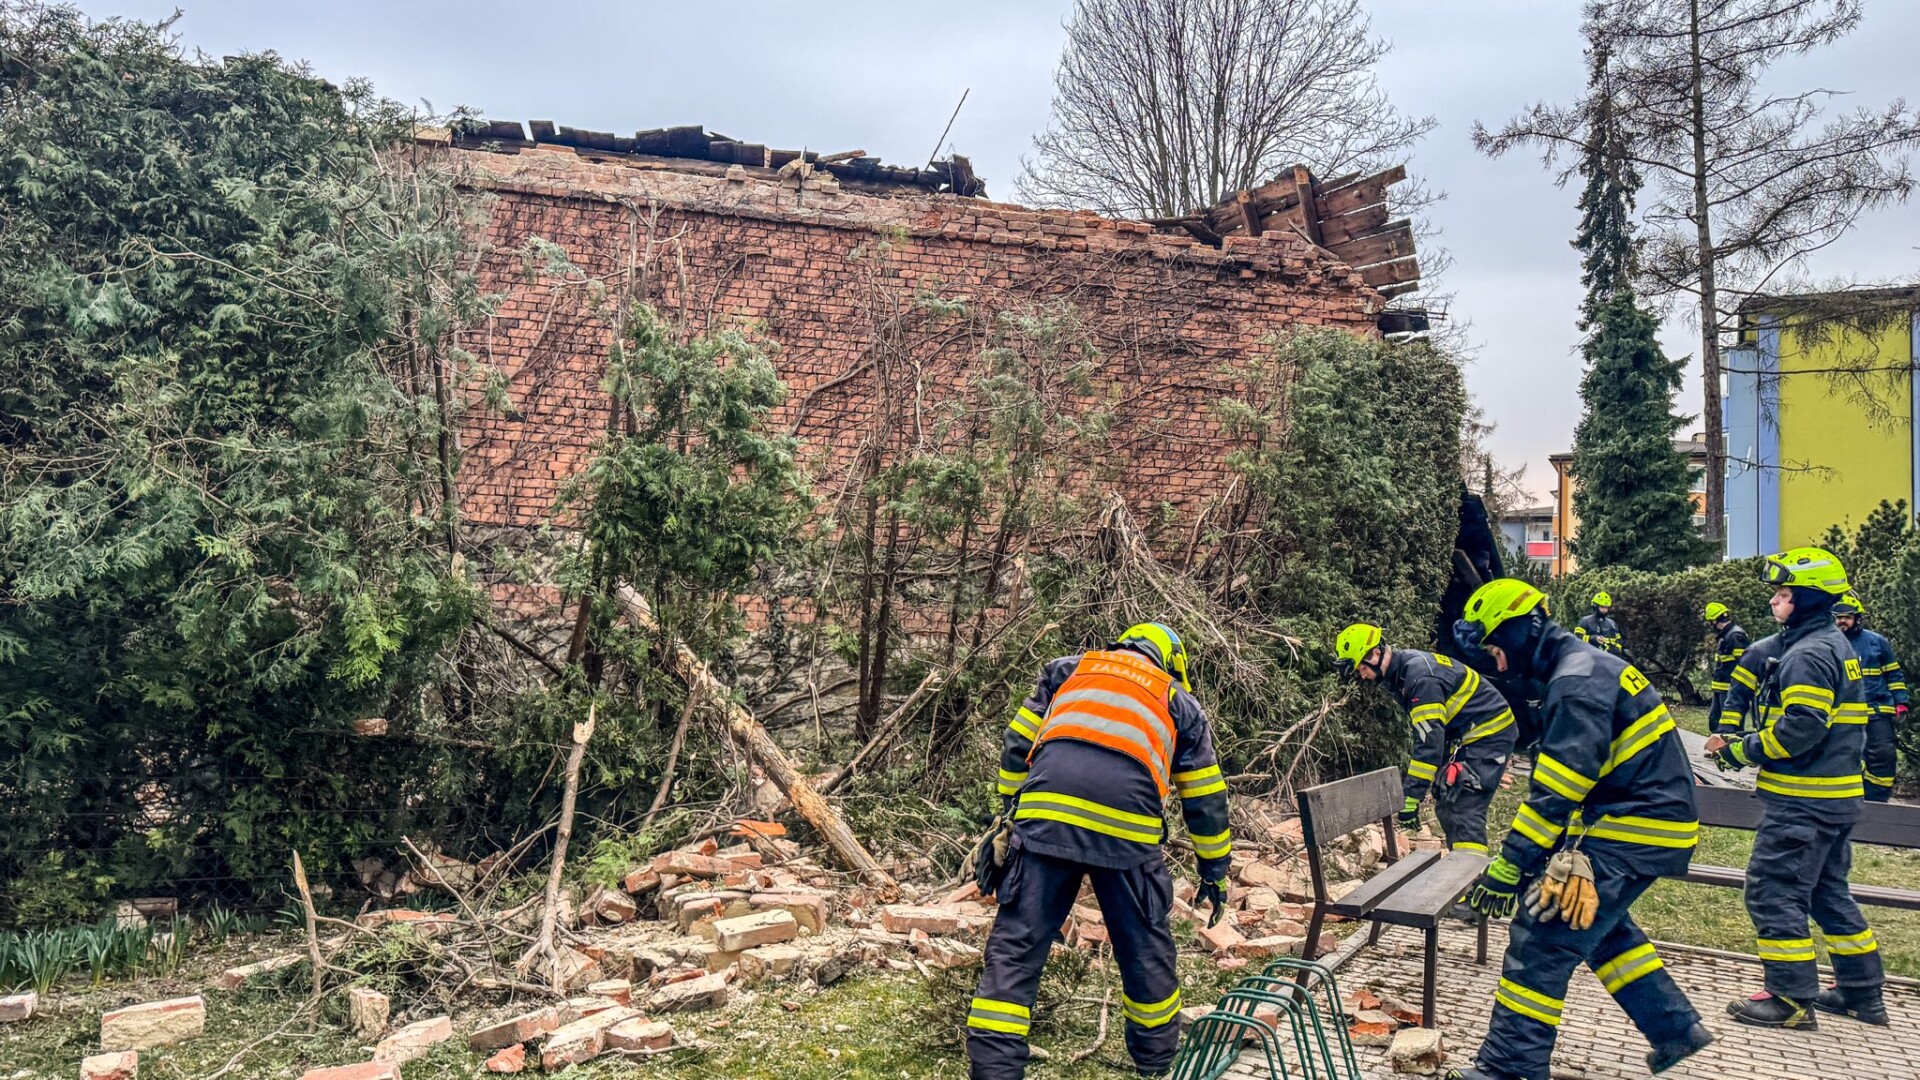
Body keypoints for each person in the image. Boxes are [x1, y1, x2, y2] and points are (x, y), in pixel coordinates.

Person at [1445, 579, 1710, 1080]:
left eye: (1494, 645)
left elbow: (1556, 793)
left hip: (1637, 826)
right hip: (1644, 820)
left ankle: (1510, 1067)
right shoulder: (1581, 667)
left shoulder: (1576, 683)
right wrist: (1544, 854)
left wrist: (1511, 864)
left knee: (1540, 936)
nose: (1493, 658)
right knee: (1594, 924)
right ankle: (1675, 1028)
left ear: (1521, 628)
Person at [969, 623, 1230, 1080]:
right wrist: (1214, 869)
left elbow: (1017, 747)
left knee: (1016, 948)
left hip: (1046, 818)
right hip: (1126, 835)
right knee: (1144, 949)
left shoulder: (1067, 671)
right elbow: (1204, 798)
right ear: (1171, 662)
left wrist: (1012, 809)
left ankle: (994, 1071)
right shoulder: (1179, 702)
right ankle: (1156, 1064)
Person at [1706, 549, 1886, 1029]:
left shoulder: (1808, 654)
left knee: (1773, 891)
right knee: (1828, 895)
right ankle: (1860, 992)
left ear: (1806, 600)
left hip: (1803, 801)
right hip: (1834, 798)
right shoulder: (1828, 645)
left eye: (1783, 594)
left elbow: (1801, 727)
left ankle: (1789, 999)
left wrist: (1742, 750)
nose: (1774, 601)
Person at [1334, 623, 1518, 856]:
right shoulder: (1403, 672)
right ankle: (1463, 871)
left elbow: (1429, 741)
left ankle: (1471, 879)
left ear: (1376, 653)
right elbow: (1434, 732)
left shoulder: (1419, 678)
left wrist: (1412, 796)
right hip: (1471, 735)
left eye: (1362, 667)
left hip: (1489, 735)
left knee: (1464, 806)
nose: (1362, 675)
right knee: (1448, 800)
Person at [1834, 593, 1907, 803]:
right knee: (1842, 758)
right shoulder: (1827, 644)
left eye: (1847, 617)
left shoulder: (1876, 642)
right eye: (1838, 617)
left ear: (1857, 618)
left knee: (1884, 757)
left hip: (1877, 711)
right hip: (1841, 716)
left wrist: (1901, 701)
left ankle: (1877, 801)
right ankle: (1847, 800)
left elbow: (1893, 674)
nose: (1842, 622)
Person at [1710, 632, 1784, 737]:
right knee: (1714, 718)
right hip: (1768, 738)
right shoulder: (1759, 651)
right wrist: (1725, 735)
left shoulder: (1736, 636)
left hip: (1777, 738)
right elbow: (1738, 693)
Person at [1704, 603, 1749, 724]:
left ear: (1715, 620)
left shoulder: (1735, 635)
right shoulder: (1726, 635)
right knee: (1714, 721)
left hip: (1730, 689)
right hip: (1721, 688)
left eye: (1711, 621)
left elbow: (1744, 664)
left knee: (1728, 724)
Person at [1574, 591, 1624, 656]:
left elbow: (1619, 641)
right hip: (1589, 658)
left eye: (1606, 607)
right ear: (1595, 606)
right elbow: (1577, 638)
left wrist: (1612, 649)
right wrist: (1592, 639)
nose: (1604, 610)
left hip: (1609, 659)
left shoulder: (1612, 623)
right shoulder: (1585, 621)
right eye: (1602, 607)